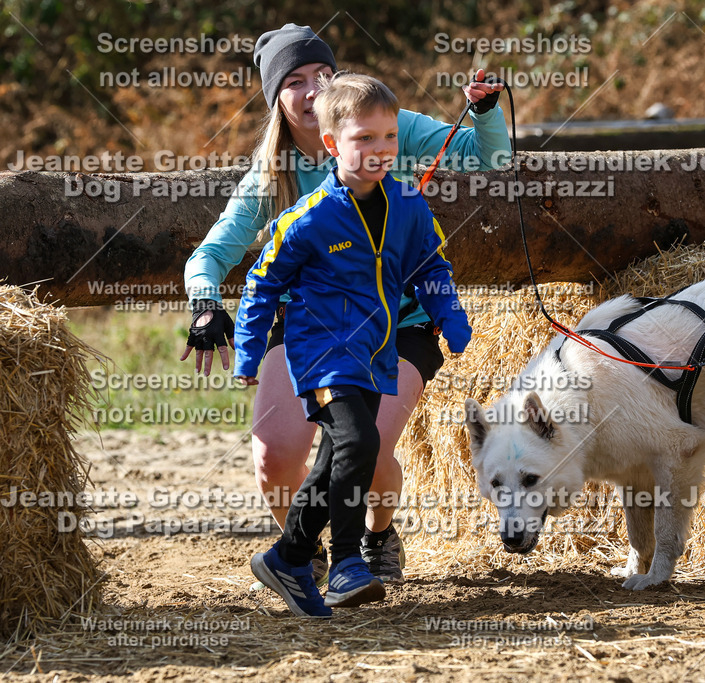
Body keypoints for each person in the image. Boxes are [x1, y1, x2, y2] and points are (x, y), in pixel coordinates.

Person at [180, 24, 510, 584]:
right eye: (295, 81)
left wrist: (484, 111)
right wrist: (205, 303)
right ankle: (300, 552)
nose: (312, 90)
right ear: (276, 100)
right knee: (275, 456)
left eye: (321, 75)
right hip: (313, 326)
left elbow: (489, 160)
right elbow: (210, 254)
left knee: (366, 445)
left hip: (396, 324)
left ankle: (377, 535)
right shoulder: (273, 175)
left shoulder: (387, 125)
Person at [236, 72, 471, 615]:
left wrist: (450, 319)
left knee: (337, 458)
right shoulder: (308, 219)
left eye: (388, 136)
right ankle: (345, 564)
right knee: (361, 444)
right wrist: (249, 353)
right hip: (320, 351)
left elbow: (429, 265)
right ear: (331, 144)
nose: (380, 149)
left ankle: (288, 557)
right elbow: (261, 284)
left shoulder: (408, 205)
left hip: (375, 352)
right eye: (364, 138)